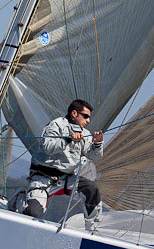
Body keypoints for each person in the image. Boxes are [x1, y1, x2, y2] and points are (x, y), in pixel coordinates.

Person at [9, 99, 104, 231]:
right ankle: (20, 197)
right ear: (74, 113)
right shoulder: (56, 125)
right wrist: (68, 139)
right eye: (86, 116)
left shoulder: (86, 134)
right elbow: (47, 147)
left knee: (91, 189)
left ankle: (92, 229)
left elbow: (94, 156)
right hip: (43, 178)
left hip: (67, 179)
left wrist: (98, 144)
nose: (88, 121)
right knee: (33, 213)